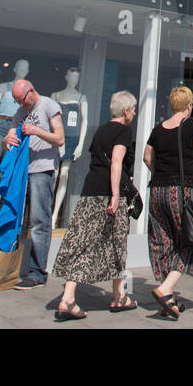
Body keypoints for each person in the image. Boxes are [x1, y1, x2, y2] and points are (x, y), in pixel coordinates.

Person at [51, 91, 139, 320]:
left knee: (82, 240)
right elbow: (117, 162)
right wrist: (116, 194)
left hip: (91, 188)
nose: (135, 113)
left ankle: (69, 296)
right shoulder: (124, 131)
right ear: (127, 111)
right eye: (134, 109)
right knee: (117, 241)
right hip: (109, 191)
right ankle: (117, 297)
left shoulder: (100, 130)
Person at [143, 85, 193, 319]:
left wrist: (160, 172)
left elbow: (147, 156)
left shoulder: (158, 129)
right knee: (192, 239)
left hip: (158, 190)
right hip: (185, 190)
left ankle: (168, 298)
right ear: (189, 105)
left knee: (163, 241)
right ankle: (165, 288)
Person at [3, 79, 66, 290]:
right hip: (23, 170)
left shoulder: (49, 105)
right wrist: (7, 140)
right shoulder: (21, 112)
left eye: (22, 100)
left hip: (42, 169)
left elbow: (59, 138)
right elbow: (10, 134)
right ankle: (11, 265)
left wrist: (36, 131)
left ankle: (37, 272)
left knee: (39, 221)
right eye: (16, 101)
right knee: (16, 217)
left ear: (31, 91)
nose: (21, 105)